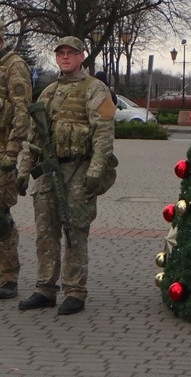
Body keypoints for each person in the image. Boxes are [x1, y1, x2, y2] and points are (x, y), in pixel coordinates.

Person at [17, 37, 117, 316]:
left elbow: (104, 134)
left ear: (81, 56)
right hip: (49, 171)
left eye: (70, 53)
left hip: (79, 169)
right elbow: (33, 137)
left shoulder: (95, 89)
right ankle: (44, 289)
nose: (64, 58)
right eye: (60, 53)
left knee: (75, 231)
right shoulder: (48, 92)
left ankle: (75, 291)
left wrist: (96, 169)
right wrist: (25, 171)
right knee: (45, 232)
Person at [0, 22, 33, 300]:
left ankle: (8, 277)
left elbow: (22, 113)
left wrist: (11, 154)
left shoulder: (14, 66)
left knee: (0, 219)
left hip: (1, 155)